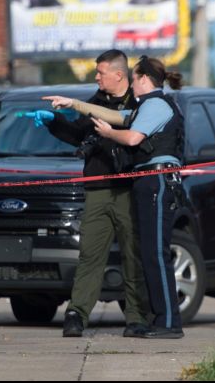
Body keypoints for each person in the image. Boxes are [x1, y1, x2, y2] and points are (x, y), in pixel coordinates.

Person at [65, 55, 185, 339]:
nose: (132, 84)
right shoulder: (147, 106)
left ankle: (169, 323)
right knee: (150, 253)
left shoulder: (156, 104)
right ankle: (163, 320)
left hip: (157, 180)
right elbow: (117, 116)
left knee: (155, 254)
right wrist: (73, 104)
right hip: (148, 181)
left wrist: (109, 134)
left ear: (144, 79)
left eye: (133, 78)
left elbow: (131, 137)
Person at [34, 49, 151, 339]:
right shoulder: (95, 102)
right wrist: (53, 122)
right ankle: (77, 314)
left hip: (129, 189)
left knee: (133, 255)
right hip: (98, 189)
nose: (96, 77)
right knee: (89, 255)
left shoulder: (140, 103)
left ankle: (137, 316)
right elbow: (76, 134)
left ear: (118, 75)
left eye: (100, 72)